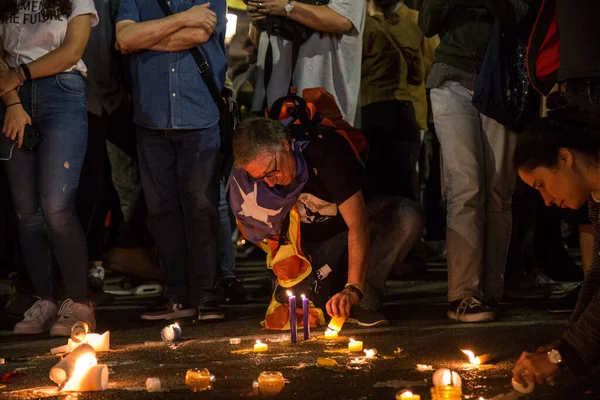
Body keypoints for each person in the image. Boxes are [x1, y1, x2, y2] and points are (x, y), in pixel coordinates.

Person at [230, 117, 424, 327]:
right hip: (307, 249)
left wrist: (353, 289)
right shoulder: (247, 182)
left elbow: (357, 225)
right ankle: (330, 289)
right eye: (260, 178)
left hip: (345, 230)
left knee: (406, 216)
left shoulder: (324, 151)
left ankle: (365, 299)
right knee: (308, 307)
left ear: (285, 145)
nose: (269, 182)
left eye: (272, 170)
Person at [419, 0, 538, 322]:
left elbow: (520, 15)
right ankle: (463, 293)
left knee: (499, 190)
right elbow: (427, 23)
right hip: (451, 80)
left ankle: (490, 291)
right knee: (465, 185)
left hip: (503, 80)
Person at [116, 0, 227, 321]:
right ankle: (176, 294)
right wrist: (184, 19)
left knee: (202, 209)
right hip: (152, 118)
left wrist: (145, 38)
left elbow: (200, 34)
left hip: (199, 115)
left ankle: (206, 293)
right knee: (161, 212)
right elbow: (124, 39)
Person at [0, 0, 98, 335]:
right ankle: (44, 300)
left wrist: (19, 75)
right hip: (13, 96)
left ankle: (80, 303)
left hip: (62, 90)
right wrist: (12, 100)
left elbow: (72, 51)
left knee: (56, 205)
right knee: (26, 211)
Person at [512, 114, 600, 384]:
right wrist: (567, 346)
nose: (547, 200)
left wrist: (562, 355)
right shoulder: (596, 200)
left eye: (541, 185)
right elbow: (596, 277)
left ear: (564, 157)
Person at [246, 0, 365, 126]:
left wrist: (287, 8)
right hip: (271, 100)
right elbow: (257, 40)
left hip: (323, 104)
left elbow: (343, 19)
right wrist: (257, 18)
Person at [361, 0, 423, 199]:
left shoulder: (364, 29)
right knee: (404, 185)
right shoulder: (410, 27)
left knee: (377, 186)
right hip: (406, 112)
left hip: (375, 111)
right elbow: (416, 76)